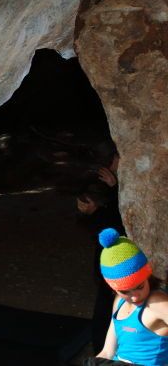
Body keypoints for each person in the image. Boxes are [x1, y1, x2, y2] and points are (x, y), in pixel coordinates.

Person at [95, 228, 168, 365]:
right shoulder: (119, 302)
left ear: (147, 275)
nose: (134, 297)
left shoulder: (158, 303)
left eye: (140, 287)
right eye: (125, 291)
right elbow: (107, 352)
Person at [77, 148, 125, 353]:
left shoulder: (115, 184)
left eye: (117, 159)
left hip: (120, 262)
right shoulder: (102, 179)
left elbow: (118, 221)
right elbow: (102, 227)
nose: (115, 163)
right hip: (108, 263)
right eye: (115, 158)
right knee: (105, 311)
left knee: (114, 310)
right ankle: (102, 351)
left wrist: (115, 189)